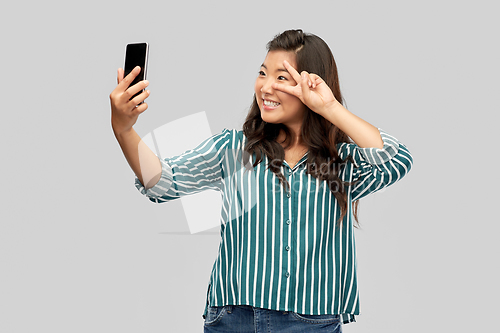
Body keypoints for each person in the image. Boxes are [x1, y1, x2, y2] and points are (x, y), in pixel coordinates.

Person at [110, 29, 413, 333]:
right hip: (232, 320)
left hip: (311, 323)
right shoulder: (235, 150)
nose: (265, 86)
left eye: (281, 78)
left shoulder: (341, 163)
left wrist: (329, 108)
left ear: (312, 84)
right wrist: (123, 129)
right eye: (262, 73)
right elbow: (161, 181)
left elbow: (395, 158)